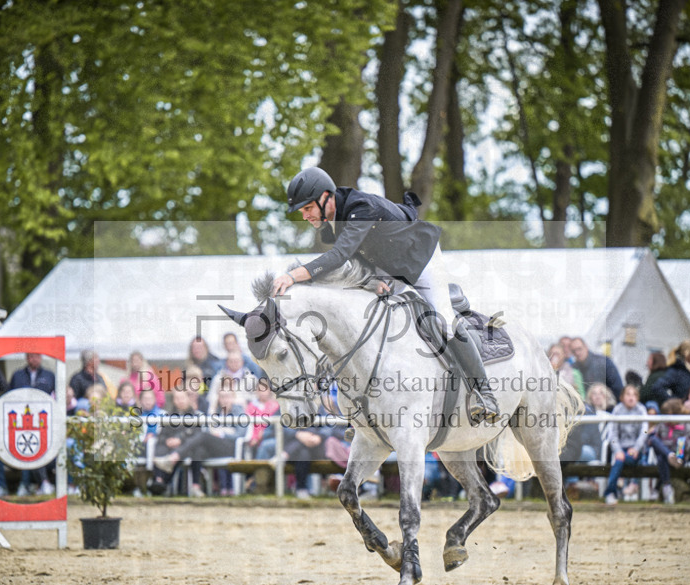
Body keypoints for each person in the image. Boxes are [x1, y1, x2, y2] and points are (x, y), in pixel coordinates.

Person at [274, 166, 498, 424]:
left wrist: (292, 276)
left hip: (419, 259)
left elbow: (339, 257)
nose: (304, 216)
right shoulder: (331, 223)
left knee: (443, 322)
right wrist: (371, 280)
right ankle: (364, 407)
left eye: (307, 208)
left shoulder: (361, 207)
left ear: (326, 197)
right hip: (387, 266)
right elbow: (358, 256)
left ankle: (484, 392)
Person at [176, 385, 245, 496]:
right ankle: (195, 487)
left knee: (203, 436)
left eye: (227, 396)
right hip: (215, 447)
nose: (224, 399)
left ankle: (176, 455)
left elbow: (241, 434)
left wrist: (222, 433)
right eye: (222, 396)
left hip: (231, 447)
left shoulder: (239, 411)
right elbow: (209, 430)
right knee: (198, 450)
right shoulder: (215, 410)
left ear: (233, 397)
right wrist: (225, 431)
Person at [9, 354, 57, 496]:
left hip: (43, 421)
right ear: (26, 358)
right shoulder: (17, 375)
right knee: (26, 448)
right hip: (21, 421)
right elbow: (9, 396)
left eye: (36, 356)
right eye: (31, 357)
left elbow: (56, 397)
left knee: (32, 449)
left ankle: (30, 485)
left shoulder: (50, 375)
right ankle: (34, 484)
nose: (34, 359)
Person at [149, 387, 204, 496]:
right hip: (169, 446)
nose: (180, 401)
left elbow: (196, 434)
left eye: (182, 398)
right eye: (177, 398)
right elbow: (162, 435)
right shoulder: (169, 416)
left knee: (184, 451)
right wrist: (168, 441)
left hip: (186, 448)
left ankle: (164, 482)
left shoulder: (196, 415)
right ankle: (159, 480)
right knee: (160, 447)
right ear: (173, 400)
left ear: (188, 398)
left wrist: (180, 439)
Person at [602, 385, 650, 506]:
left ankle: (611, 492)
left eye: (634, 395)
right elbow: (612, 434)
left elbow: (644, 431)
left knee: (620, 462)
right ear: (622, 397)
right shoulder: (617, 410)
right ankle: (611, 492)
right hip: (621, 449)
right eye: (628, 394)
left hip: (636, 450)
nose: (631, 397)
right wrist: (617, 450)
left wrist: (636, 448)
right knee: (619, 460)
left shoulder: (641, 410)